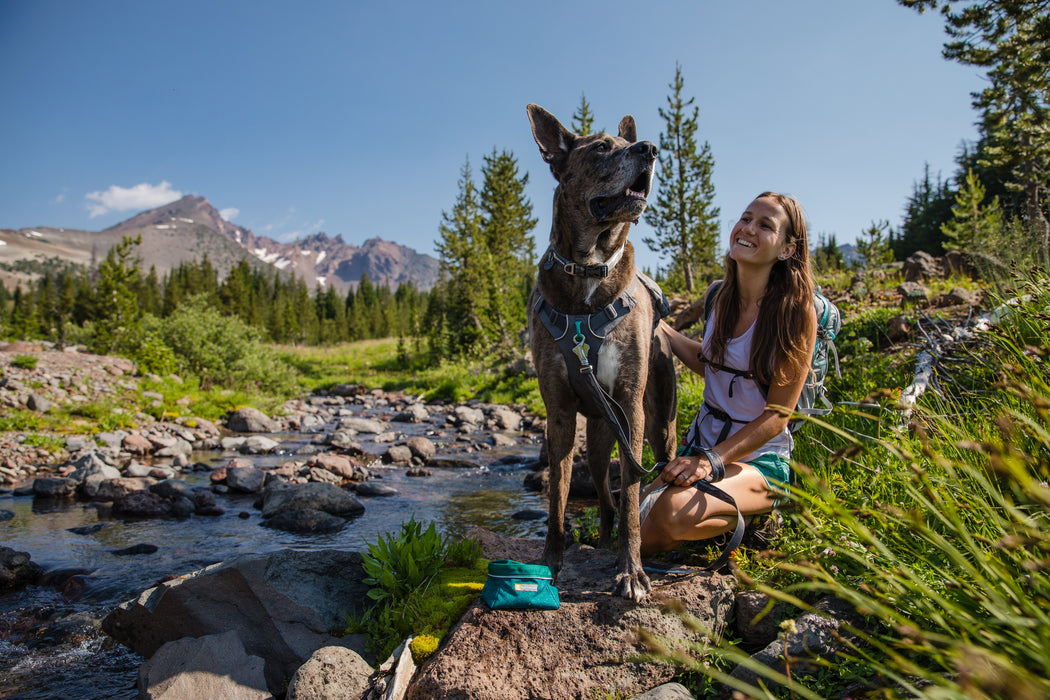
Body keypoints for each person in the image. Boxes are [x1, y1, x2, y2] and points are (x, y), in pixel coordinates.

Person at [640, 191, 817, 557]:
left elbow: (777, 416)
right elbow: (713, 366)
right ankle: (728, 521)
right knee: (638, 517)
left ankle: (761, 515)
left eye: (765, 225)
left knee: (668, 513)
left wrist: (710, 461)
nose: (748, 228)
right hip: (702, 447)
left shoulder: (795, 312)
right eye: (746, 218)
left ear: (786, 249)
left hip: (759, 462)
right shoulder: (719, 296)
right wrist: (663, 331)